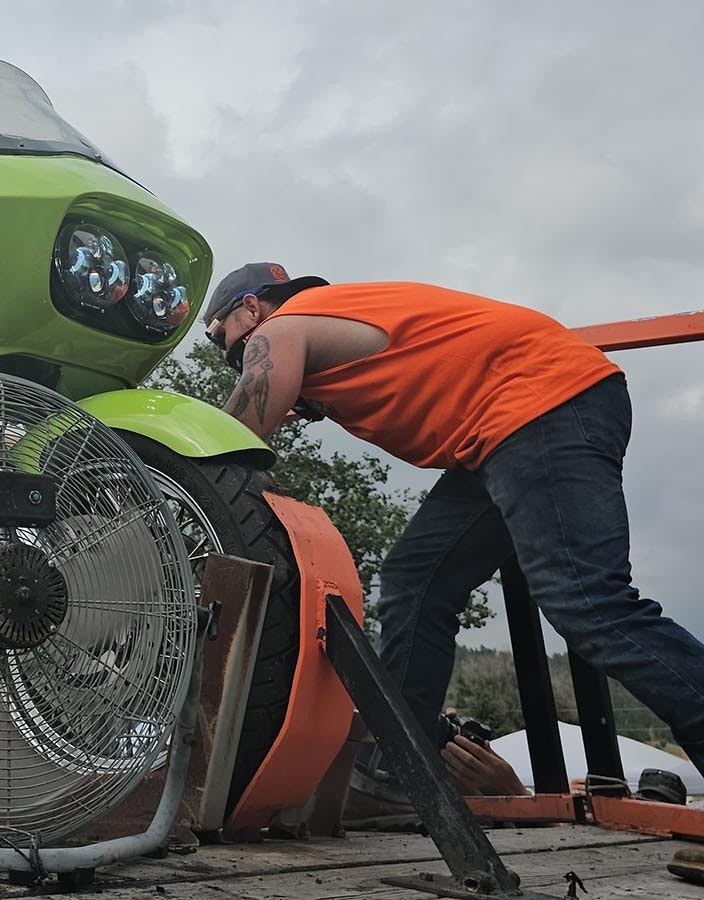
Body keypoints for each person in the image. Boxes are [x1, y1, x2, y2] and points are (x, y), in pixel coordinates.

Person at [201, 263, 704, 807]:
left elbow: (235, 438)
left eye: (218, 332)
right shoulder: (339, 320)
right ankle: (397, 771)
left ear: (250, 308)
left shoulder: (281, 327)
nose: (222, 349)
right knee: (416, 580)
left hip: (537, 406)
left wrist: (181, 480)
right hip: (499, 433)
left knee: (591, 603)